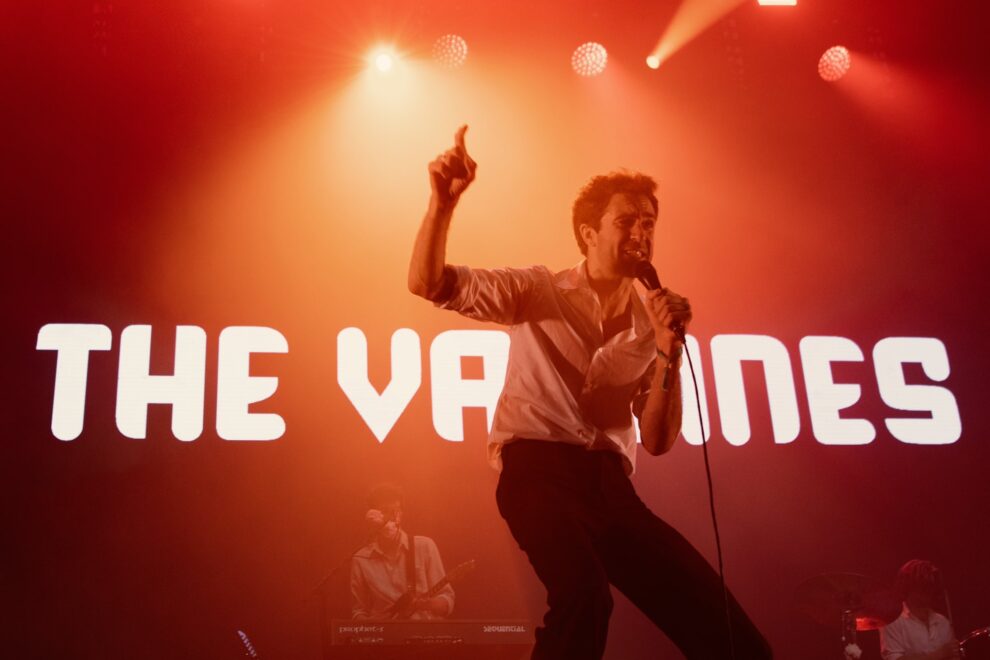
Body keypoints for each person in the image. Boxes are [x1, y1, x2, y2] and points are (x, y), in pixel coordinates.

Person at [408, 125, 771, 659]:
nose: (641, 234)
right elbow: (428, 283)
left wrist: (669, 350)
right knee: (585, 598)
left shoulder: (652, 325)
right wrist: (442, 205)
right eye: (626, 222)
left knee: (732, 633)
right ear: (587, 234)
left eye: (649, 223)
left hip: (611, 490)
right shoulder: (536, 290)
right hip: (538, 474)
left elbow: (657, 439)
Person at [350, 484, 455, 620]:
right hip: (383, 638)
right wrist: (374, 632)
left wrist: (427, 604)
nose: (393, 516)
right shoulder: (361, 559)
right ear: (372, 516)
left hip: (423, 635)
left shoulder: (425, 546)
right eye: (385, 511)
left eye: (397, 511)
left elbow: (447, 600)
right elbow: (359, 611)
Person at [880, 560, 959, 660]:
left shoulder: (943, 622)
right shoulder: (892, 620)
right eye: (923, 583)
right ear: (907, 585)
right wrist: (937, 655)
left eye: (931, 584)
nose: (929, 588)